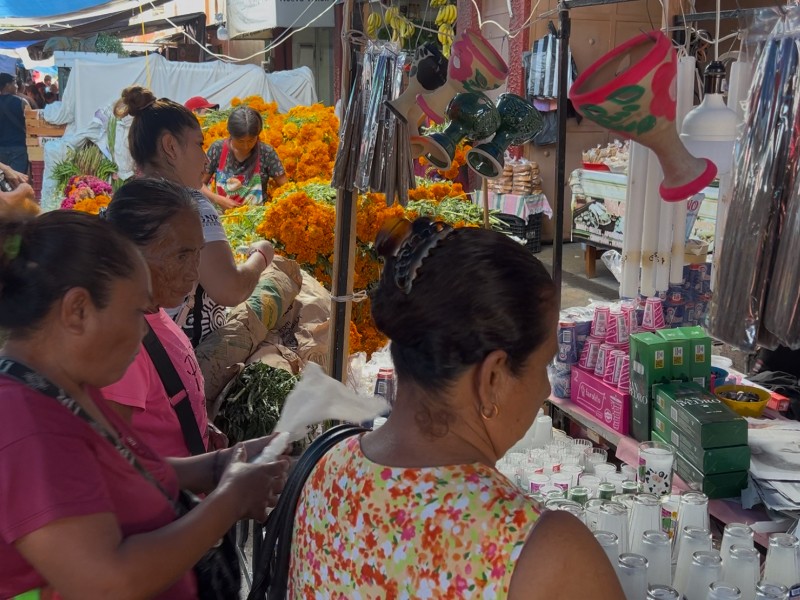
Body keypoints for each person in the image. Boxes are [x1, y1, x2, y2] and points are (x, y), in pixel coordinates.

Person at [287, 217, 624, 599]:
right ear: (492, 378)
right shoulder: (546, 554)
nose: (546, 388)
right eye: (544, 364)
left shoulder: (325, 472)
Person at [0, 209, 288, 599]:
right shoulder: (25, 424)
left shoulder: (64, 388)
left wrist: (217, 466)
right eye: (137, 312)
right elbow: (105, 583)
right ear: (77, 310)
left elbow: (117, 471)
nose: (142, 331)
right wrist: (229, 502)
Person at [114, 86, 275, 346]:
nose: (204, 158)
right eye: (199, 144)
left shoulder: (123, 198)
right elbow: (230, 289)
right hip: (185, 350)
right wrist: (262, 255)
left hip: (136, 348)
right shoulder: (190, 206)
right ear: (170, 146)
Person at [102, 178, 218, 457]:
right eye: (181, 257)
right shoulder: (123, 350)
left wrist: (196, 427)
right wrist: (212, 467)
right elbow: (118, 467)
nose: (193, 274)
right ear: (128, 251)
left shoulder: (154, 312)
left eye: (197, 253)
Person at [203, 105, 288, 209]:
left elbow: (286, 187)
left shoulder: (266, 152)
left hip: (257, 217)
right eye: (240, 141)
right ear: (231, 134)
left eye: (251, 140)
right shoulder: (217, 149)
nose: (246, 146)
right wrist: (217, 199)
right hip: (223, 217)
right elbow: (199, 185)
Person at [0, 73, 29, 174]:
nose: (17, 86)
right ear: (7, 85)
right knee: (18, 179)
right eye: (15, 83)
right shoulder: (22, 102)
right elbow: (31, 125)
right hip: (19, 147)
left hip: (1, 149)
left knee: (2, 180)